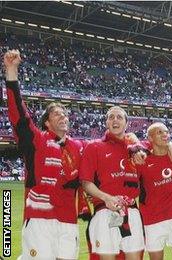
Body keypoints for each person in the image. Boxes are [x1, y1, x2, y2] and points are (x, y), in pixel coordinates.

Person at [4, 50, 84, 260]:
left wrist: (133, 143)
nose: (63, 116)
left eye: (65, 113)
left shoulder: (78, 146)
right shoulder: (36, 140)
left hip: (68, 220)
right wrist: (12, 72)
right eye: (57, 113)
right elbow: (18, 115)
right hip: (39, 218)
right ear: (47, 122)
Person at [80, 106, 145, 260]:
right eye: (111, 117)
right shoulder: (94, 146)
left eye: (119, 117)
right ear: (106, 123)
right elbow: (85, 182)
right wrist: (106, 198)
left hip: (132, 212)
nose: (115, 120)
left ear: (127, 123)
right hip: (104, 211)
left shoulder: (137, 150)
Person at [136, 122, 172, 260]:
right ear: (150, 138)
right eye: (159, 132)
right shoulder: (142, 162)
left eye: (166, 131)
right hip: (153, 219)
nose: (165, 134)